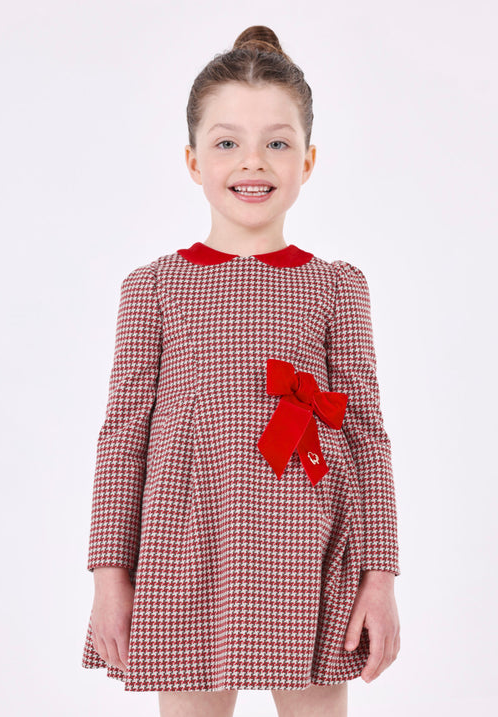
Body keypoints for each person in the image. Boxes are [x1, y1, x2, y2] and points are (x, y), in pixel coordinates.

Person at [81, 24, 401, 717]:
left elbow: (367, 435)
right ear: (193, 160)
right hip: (184, 549)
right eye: (227, 142)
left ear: (307, 160)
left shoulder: (337, 286)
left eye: (277, 143)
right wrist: (109, 576)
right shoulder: (153, 287)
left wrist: (380, 578)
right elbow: (123, 439)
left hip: (310, 547)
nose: (252, 162)